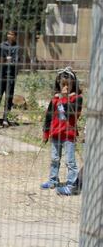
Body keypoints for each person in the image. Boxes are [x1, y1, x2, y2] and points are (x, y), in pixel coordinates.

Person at [42, 68, 83, 196]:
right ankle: (53, 180)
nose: (65, 87)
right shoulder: (54, 100)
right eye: (62, 84)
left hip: (68, 135)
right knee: (54, 158)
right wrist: (46, 133)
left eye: (68, 85)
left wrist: (65, 98)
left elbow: (72, 113)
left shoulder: (77, 98)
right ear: (59, 84)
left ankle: (72, 184)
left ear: (73, 85)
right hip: (55, 134)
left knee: (70, 161)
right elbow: (48, 117)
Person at [0, 29, 21, 127]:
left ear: (15, 36)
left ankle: (5, 118)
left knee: (8, 97)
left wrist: (7, 60)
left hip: (11, 76)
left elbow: (15, 61)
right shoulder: (2, 45)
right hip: (1, 75)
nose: (10, 36)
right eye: (8, 33)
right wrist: (5, 60)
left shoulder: (17, 47)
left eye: (12, 34)